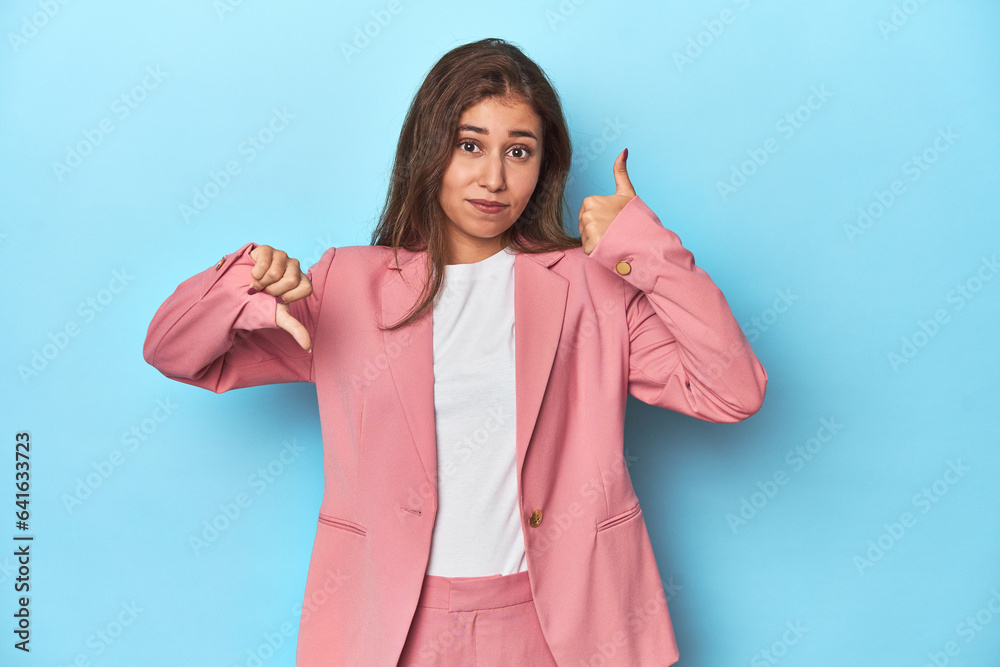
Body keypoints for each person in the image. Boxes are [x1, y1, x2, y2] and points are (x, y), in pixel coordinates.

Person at [143, 37, 767, 666]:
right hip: (390, 629)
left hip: (567, 628)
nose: (493, 178)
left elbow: (732, 391)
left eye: (517, 152)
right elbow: (175, 351)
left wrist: (645, 248)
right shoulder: (346, 288)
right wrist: (241, 280)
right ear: (429, 149)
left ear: (543, 166)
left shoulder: (588, 287)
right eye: (470, 145)